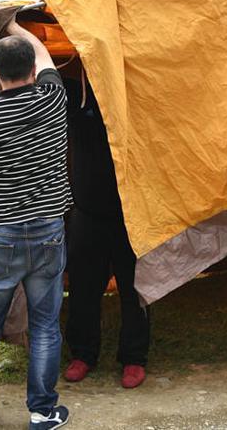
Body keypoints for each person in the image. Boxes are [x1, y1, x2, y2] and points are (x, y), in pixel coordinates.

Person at [0, 21, 72, 430]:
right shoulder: (52, 99)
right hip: (47, 230)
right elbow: (42, 55)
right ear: (30, 70)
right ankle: (42, 412)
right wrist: (14, 25)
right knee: (44, 325)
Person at [62, 76, 151, 389]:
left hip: (131, 215)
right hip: (87, 212)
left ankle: (134, 358)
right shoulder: (76, 93)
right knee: (84, 290)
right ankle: (83, 354)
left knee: (135, 290)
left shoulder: (134, 94)